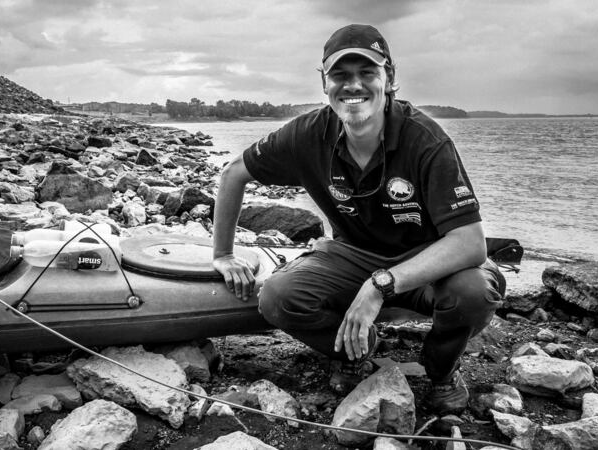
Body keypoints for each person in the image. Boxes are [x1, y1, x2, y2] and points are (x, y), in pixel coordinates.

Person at [212, 23, 506, 416]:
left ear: (390, 77)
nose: (353, 85)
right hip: (354, 255)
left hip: (429, 262)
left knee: (474, 292)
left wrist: (379, 286)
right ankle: (356, 349)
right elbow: (234, 173)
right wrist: (223, 255)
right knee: (278, 297)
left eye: (367, 72)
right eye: (340, 74)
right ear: (325, 83)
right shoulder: (306, 135)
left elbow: (470, 242)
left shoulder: (426, 140)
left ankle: (442, 370)